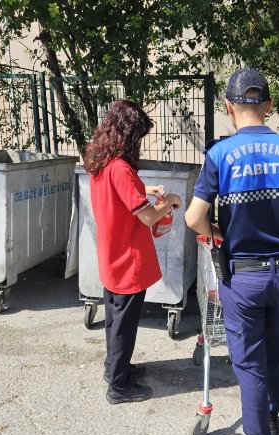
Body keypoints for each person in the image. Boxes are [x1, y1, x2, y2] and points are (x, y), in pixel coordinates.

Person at [184, 68, 279, 435]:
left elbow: (193, 219)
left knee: (250, 363)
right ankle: (271, 419)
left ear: (228, 107)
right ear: (269, 106)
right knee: (277, 352)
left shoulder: (219, 155)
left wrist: (216, 231)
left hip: (244, 277)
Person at [84, 99, 182, 405]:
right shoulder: (121, 168)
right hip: (128, 259)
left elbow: (122, 190)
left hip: (111, 256)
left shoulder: (101, 162)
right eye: (137, 137)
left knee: (114, 319)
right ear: (127, 135)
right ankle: (119, 387)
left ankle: (115, 369)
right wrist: (171, 200)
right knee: (124, 325)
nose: (138, 143)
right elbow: (148, 217)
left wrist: (147, 188)